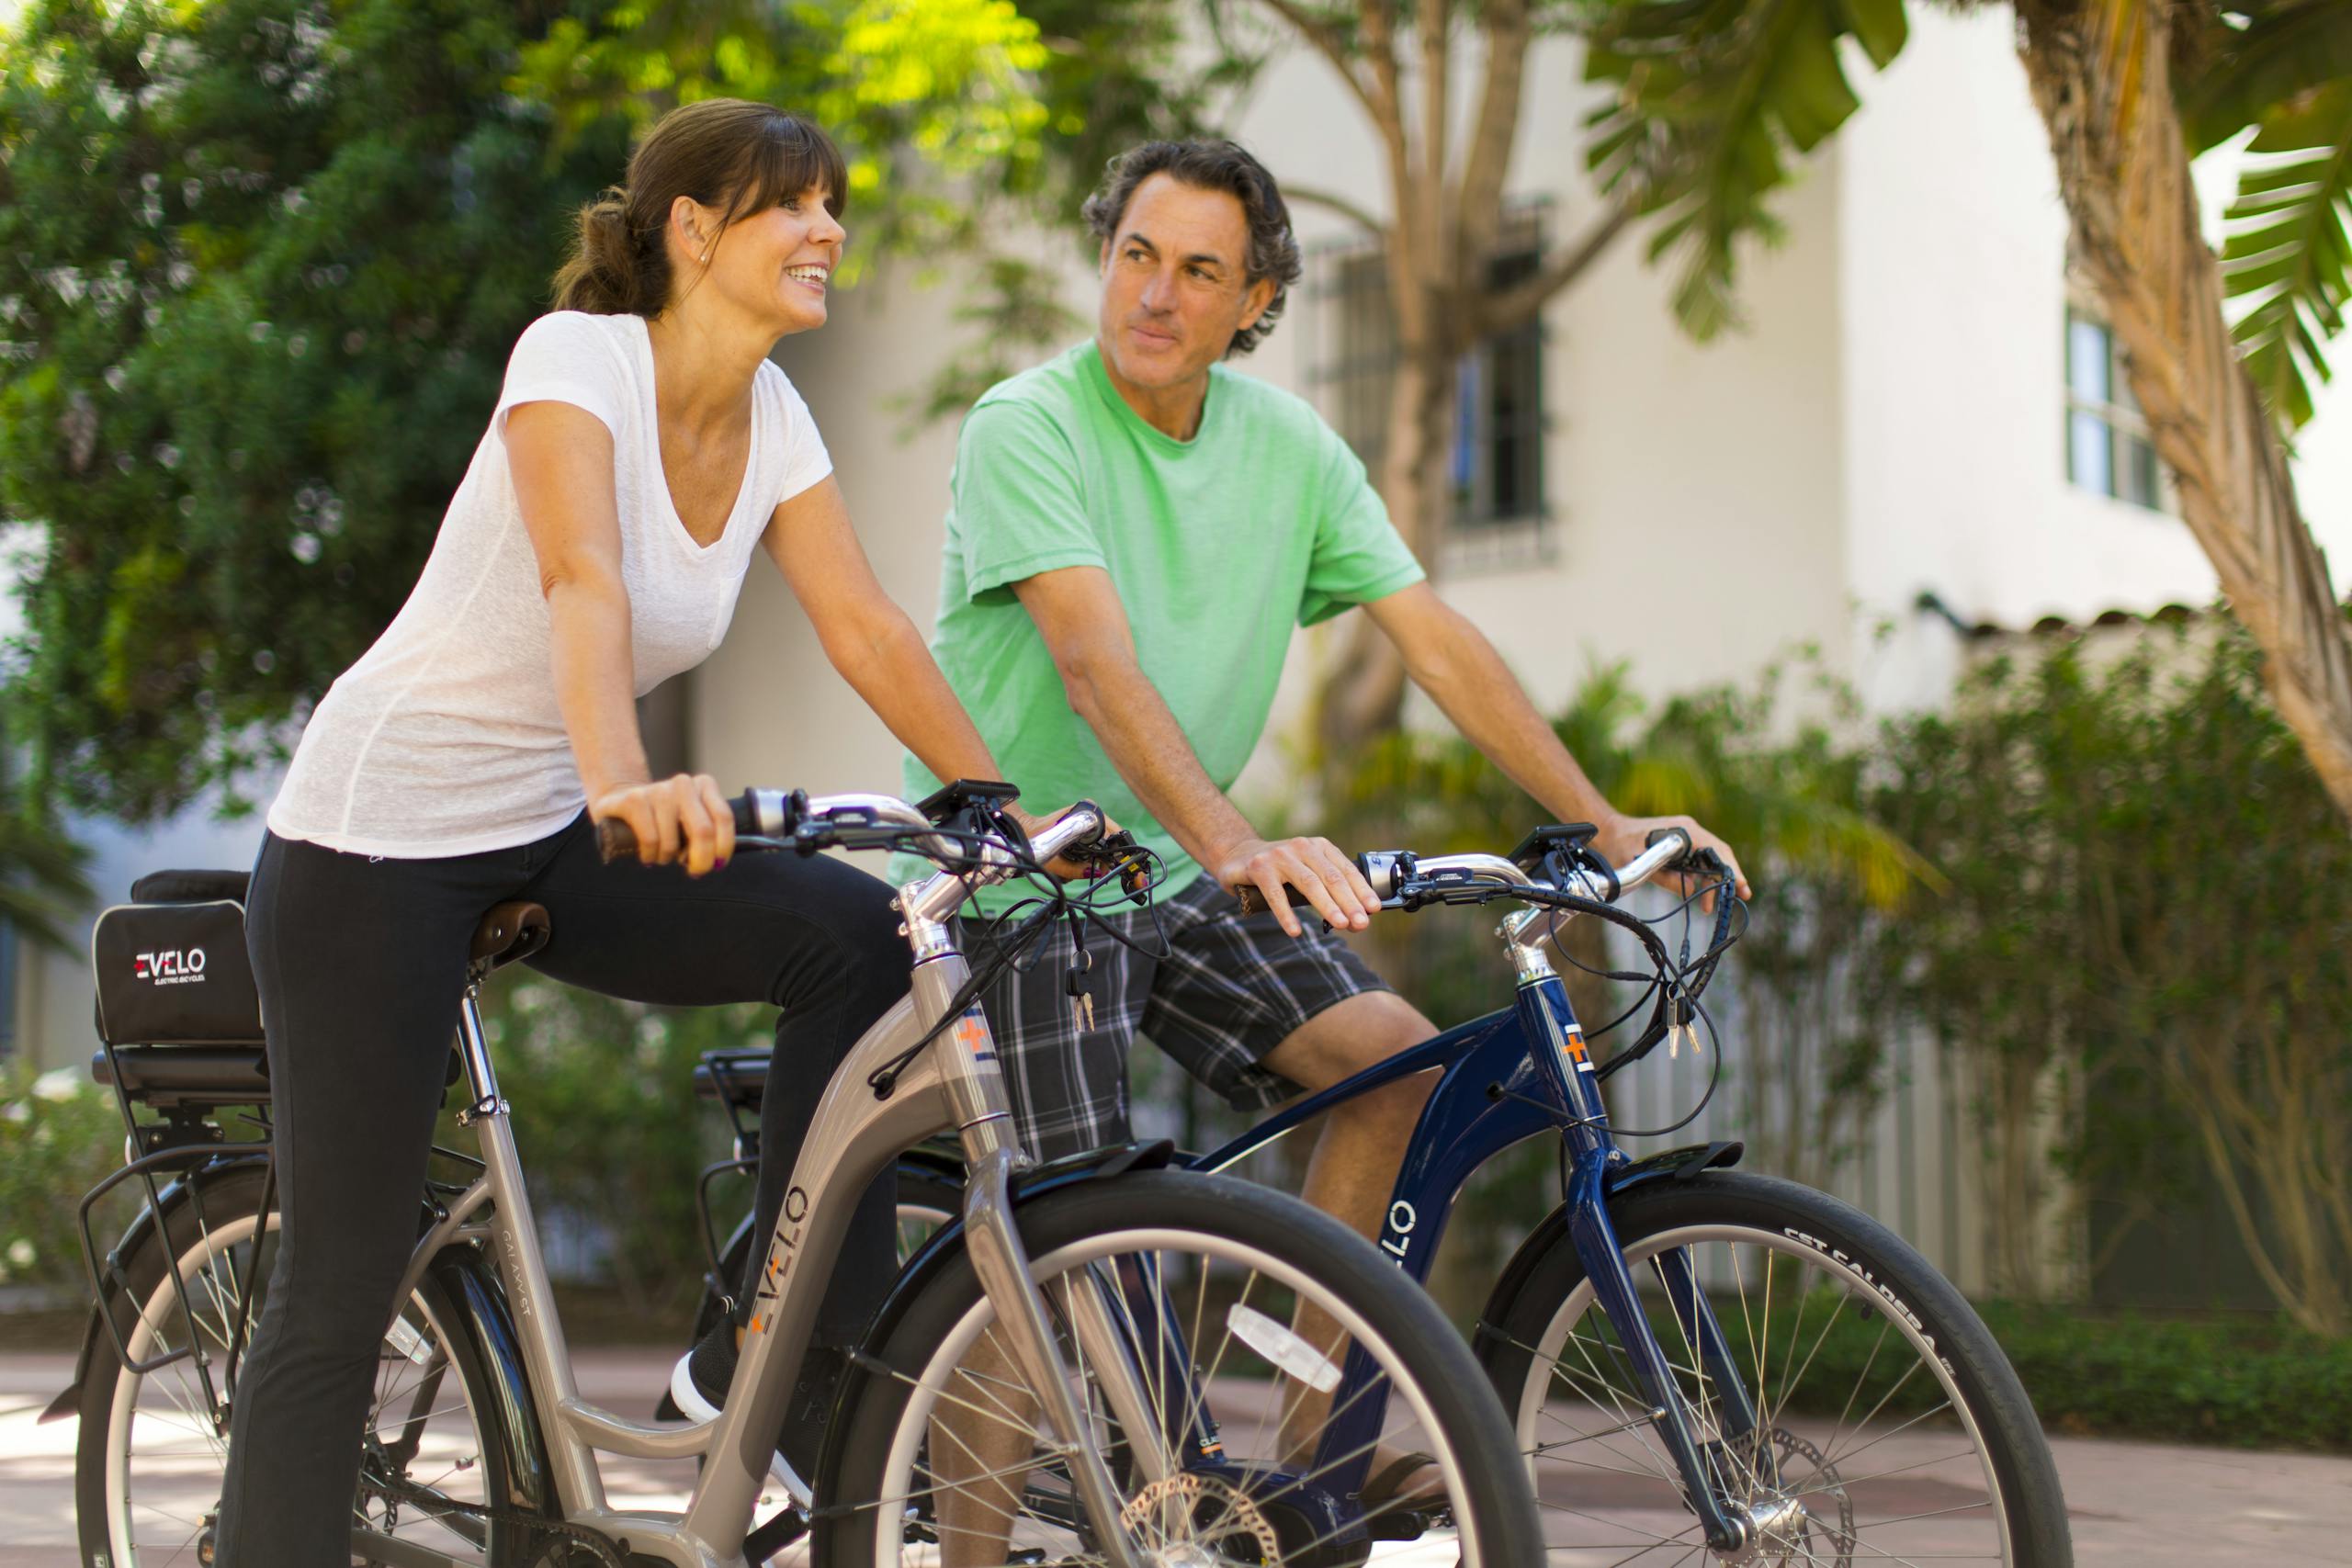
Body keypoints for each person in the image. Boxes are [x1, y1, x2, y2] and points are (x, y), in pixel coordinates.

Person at [215, 100, 1073, 1564]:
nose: (829, 233)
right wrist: (622, 777)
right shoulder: (577, 359)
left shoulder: (777, 418)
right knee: (340, 1284)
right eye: (793, 206)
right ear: (694, 229)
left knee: (858, 938)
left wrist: (994, 806)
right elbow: (580, 579)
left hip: (548, 827)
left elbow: (862, 622)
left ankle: (776, 1372)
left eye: (833, 206)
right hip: (381, 841)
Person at [898, 139, 1750, 1547]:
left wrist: (1600, 819)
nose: (1157, 295)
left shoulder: (1287, 446)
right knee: (1055, 1245)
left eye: (1201, 272)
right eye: (1137, 256)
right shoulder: (1027, 424)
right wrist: (1238, 842)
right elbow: (1096, 668)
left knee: (1392, 1070)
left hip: (1166, 871)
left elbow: (1433, 636)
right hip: (1020, 888)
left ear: (1258, 302)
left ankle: (1305, 1475)